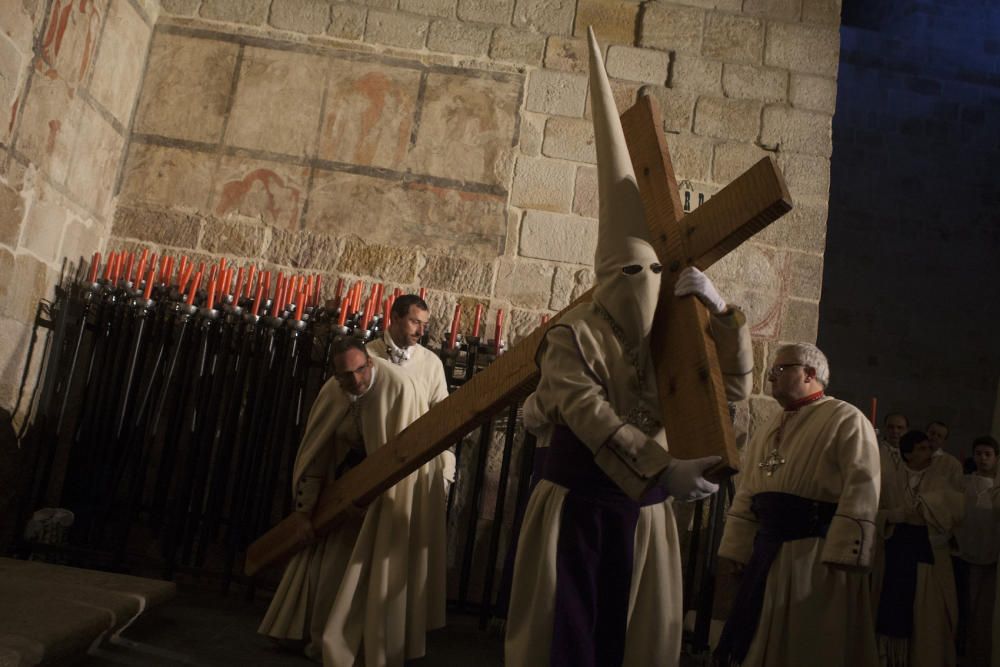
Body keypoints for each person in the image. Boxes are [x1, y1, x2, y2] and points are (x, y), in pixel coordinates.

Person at [504, 28, 753, 667]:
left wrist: (723, 321)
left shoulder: (673, 327)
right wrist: (661, 468)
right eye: (627, 274)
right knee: (568, 636)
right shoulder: (573, 332)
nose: (641, 287)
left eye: (652, 274)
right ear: (604, 272)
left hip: (644, 516)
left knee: (636, 639)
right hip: (578, 508)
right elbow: (588, 412)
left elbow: (724, 397)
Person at [258, 337, 448, 667]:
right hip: (343, 489)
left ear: (370, 363)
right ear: (335, 374)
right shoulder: (334, 392)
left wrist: (373, 496)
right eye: (346, 376)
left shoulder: (399, 388)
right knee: (327, 567)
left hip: (386, 495)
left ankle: (363, 644)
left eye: (361, 370)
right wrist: (305, 511)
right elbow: (316, 453)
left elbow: (403, 460)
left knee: (371, 568)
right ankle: (313, 634)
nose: (356, 381)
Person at [714, 343, 880, 667]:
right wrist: (738, 546)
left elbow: (863, 486)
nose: (771, 378)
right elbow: (750, 488)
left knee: (808, 639)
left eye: (780, 370)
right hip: (767, 550)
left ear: (809, 373)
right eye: (771, 371)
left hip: (815, 554)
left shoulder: (845, 418)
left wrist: (845, 554)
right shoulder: (770, 426)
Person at [875, 430, 964, 667]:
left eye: (929, 447)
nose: (929, 451)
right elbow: (877, 510)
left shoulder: (941, 474)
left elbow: (955, 506)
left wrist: (928, 505)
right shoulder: (893, 476)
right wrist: (896, 514)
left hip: (926, 551)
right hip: (896, 548)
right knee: (892, 602)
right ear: (908, 454)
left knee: (926, 609)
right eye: (922, 448)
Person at [367, 293, 456, 486]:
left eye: (425, 324)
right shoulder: (368, 356)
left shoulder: (431, 363)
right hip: (371, 459)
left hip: (413, 464)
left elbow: (442, 416)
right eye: (415, 322)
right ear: (395, 318)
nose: (421, 332)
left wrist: (445, 468)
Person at [953, 436, 999, 666]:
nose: (982, 458)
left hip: (991, 553)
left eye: (987, 454)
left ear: (996, 457)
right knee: (965, 605)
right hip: (966, 551)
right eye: (978, 453)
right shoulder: (964, 482)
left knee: (985, 611)